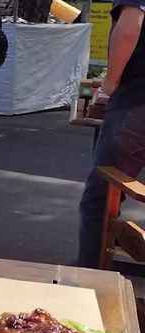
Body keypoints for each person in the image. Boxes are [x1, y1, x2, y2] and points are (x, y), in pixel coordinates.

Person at [78, 0, 145, 267]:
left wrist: (109, 84)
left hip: (137, 102)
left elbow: (129, 28)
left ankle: (91, 280)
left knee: (102, 198)